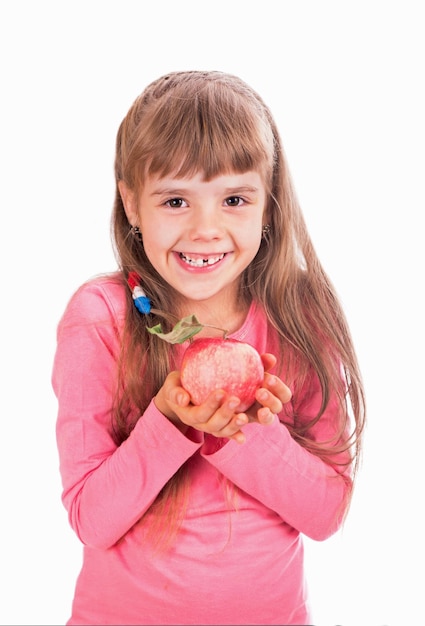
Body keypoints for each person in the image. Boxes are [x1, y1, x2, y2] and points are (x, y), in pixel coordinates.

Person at [52, 70, 366, 625]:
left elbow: (325, 514)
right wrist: (171, 421)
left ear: (268, 205)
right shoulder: (100, 318)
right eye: (175, 200)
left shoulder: (299, 313)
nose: (205, 228)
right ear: (130, 203)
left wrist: (249, 428)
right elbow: (91, 520)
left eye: (235, 199)